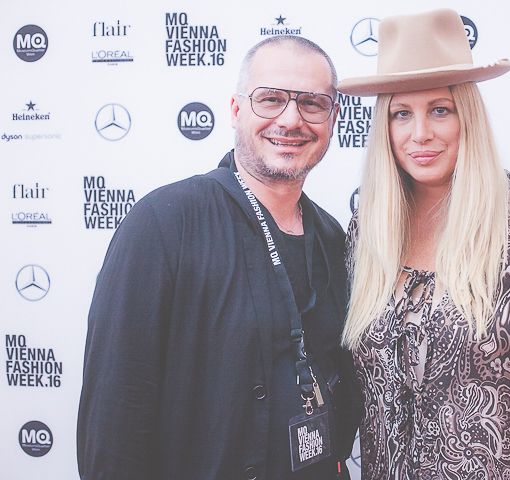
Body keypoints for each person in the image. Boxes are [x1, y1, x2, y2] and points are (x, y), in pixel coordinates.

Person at [338, 9, 510, 480]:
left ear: (466, 114)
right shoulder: (368, 228)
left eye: (439, 110)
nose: (420, 133)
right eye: (402, 114)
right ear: (384, 126)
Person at [77, 35, 359, 480]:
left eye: (312, 103)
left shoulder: (333, 238)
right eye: (270, 99)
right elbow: (114, 417)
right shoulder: (165, 224)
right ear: (235, 109)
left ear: (334, 117)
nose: (291, 119)